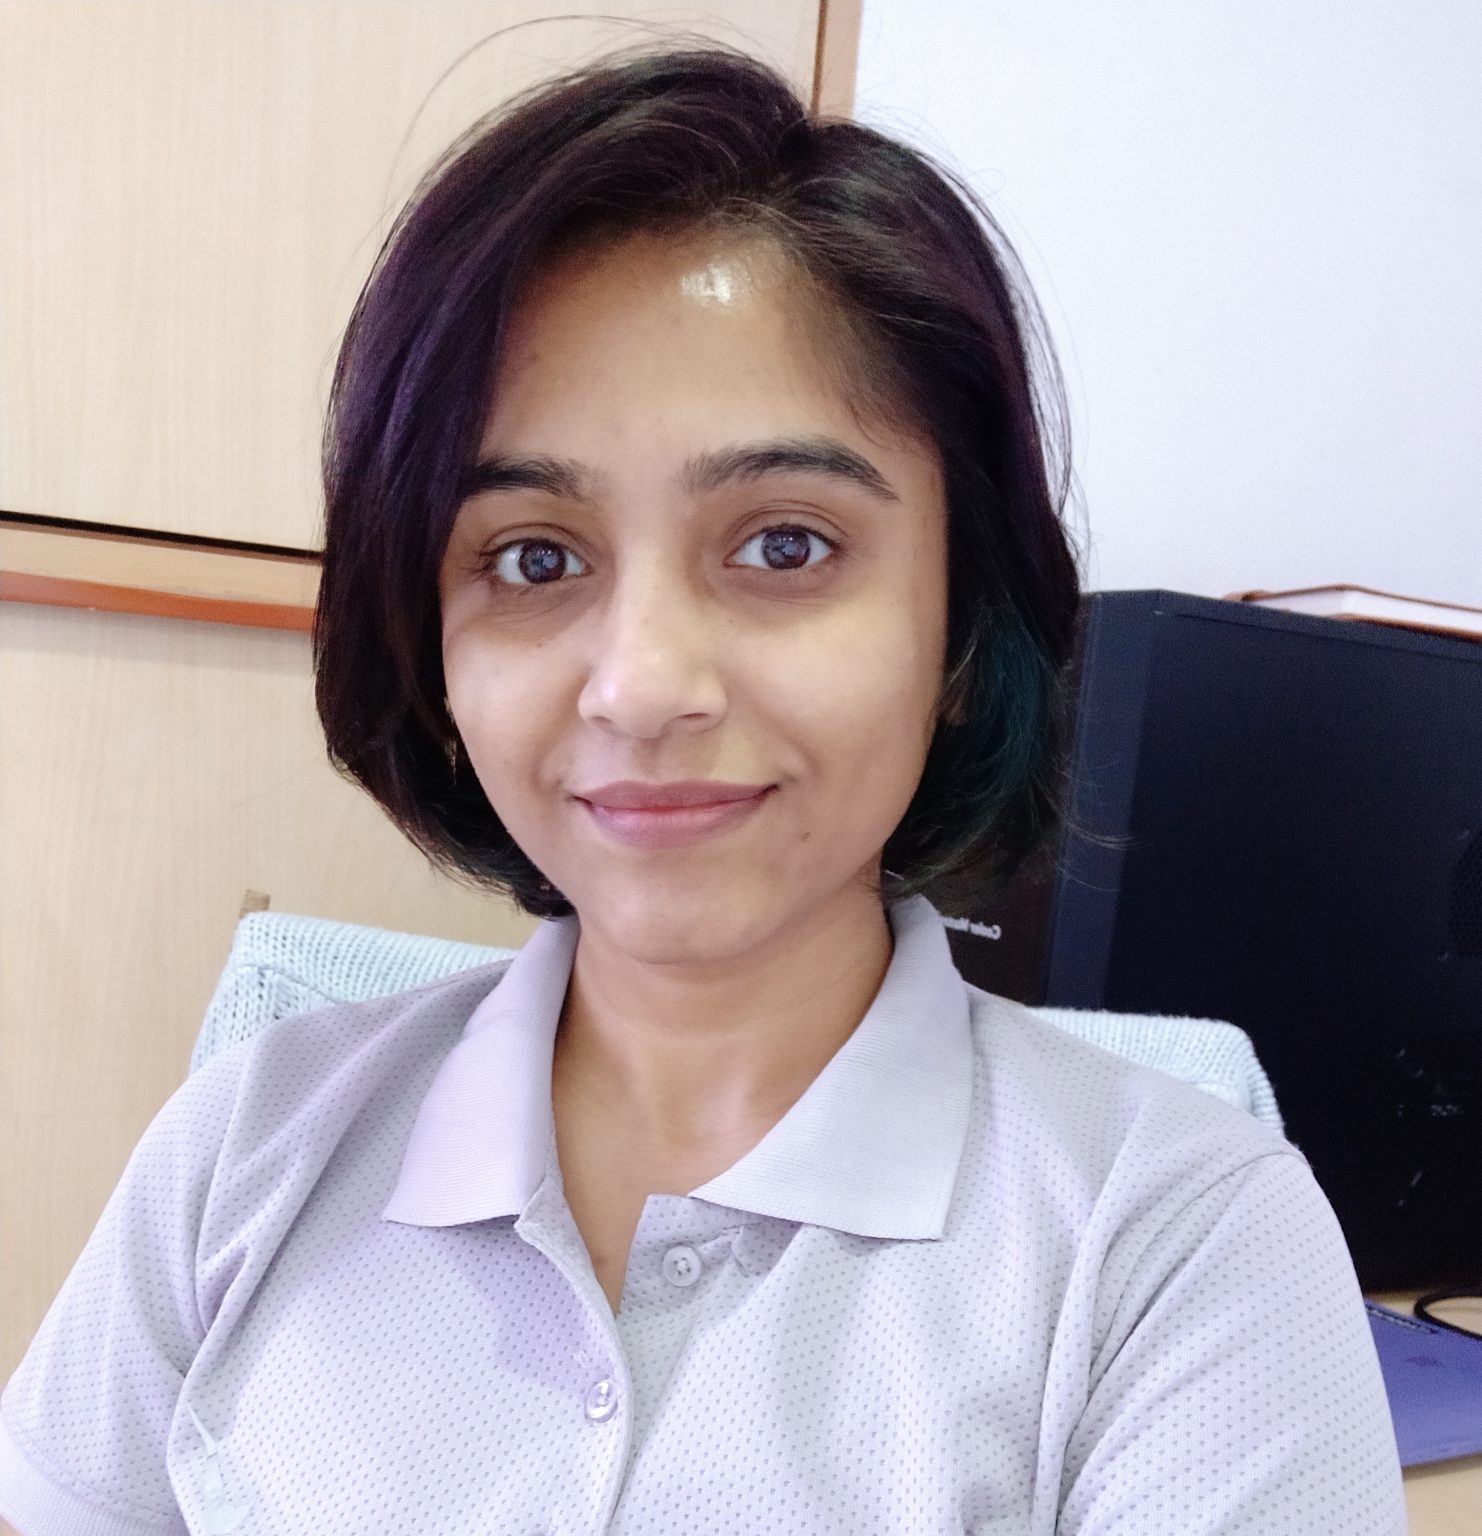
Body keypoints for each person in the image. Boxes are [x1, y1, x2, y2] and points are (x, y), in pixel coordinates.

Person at [0, 41, 1405, 1536]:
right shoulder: (245, 1146)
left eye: (784, 544)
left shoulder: (1183, 1246)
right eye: (533, 557)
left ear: (960, 622)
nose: (642, 684)